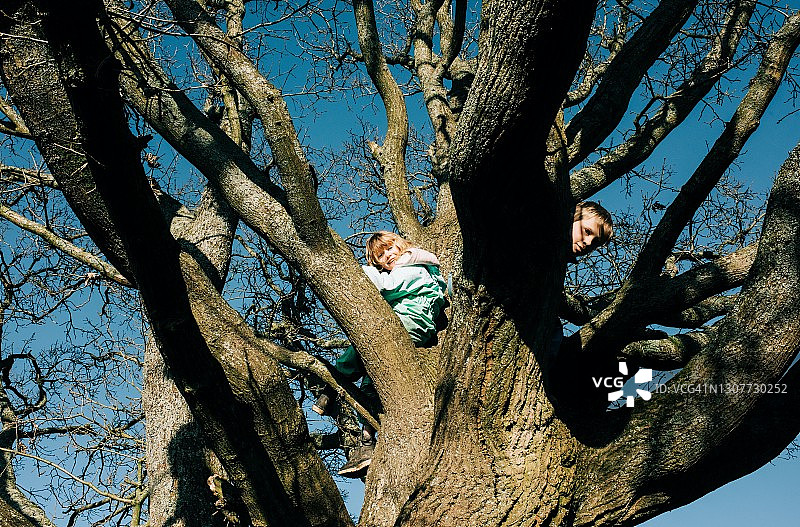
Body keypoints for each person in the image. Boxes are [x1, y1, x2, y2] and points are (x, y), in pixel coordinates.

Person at [313, 231, 447, 478]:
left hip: (408, 323)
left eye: (389, 249)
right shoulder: (411, 268)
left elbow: (387, 287)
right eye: (380, 256)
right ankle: (366, 442)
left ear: (401, 246)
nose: (387, 256)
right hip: (410, 325)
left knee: (360, 346)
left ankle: (330, 388)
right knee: (370, 382)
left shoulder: (414, 266)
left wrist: (363, 272)